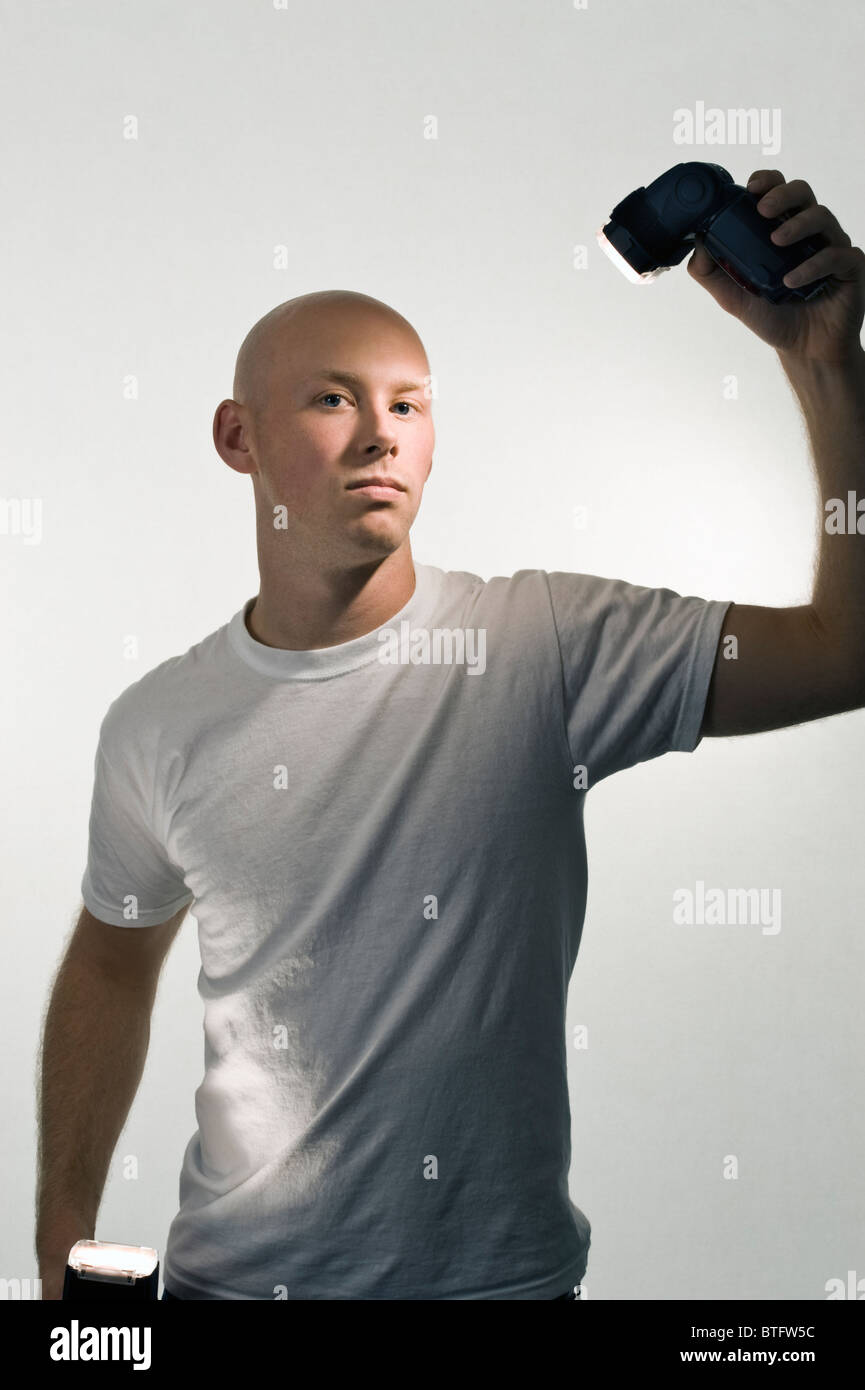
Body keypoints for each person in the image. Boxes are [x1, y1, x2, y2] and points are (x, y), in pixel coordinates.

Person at [36, 169, 865, 1300]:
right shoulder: (159, 723)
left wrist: (826, 368)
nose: (380, 434)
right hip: (229, 1286)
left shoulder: (548, 644)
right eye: (333, 400)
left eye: (409, 404)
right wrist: (59, 1233)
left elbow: (847, 648)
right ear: (238, 436)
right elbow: (111, 957)